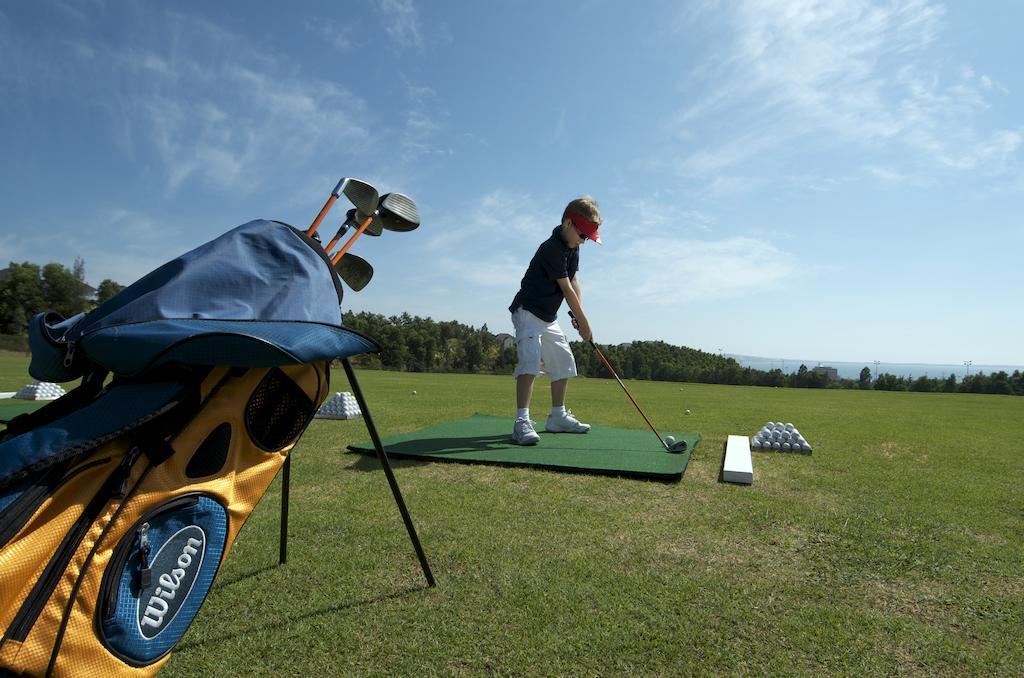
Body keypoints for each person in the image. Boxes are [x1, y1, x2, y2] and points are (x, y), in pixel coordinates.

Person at [508, 196, 602, 445]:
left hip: (549, 317)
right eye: (582, 235)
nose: (583, 241)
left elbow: (574, 282)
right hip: (528, 311)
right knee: (530, 362)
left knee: (563, 360)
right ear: (568, 224)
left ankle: (558, 417)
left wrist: (577, 315)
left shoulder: (573, 248)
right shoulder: (551, 248)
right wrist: (584, 322)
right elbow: (566, 289)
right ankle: (521, 422)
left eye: (587, 239)